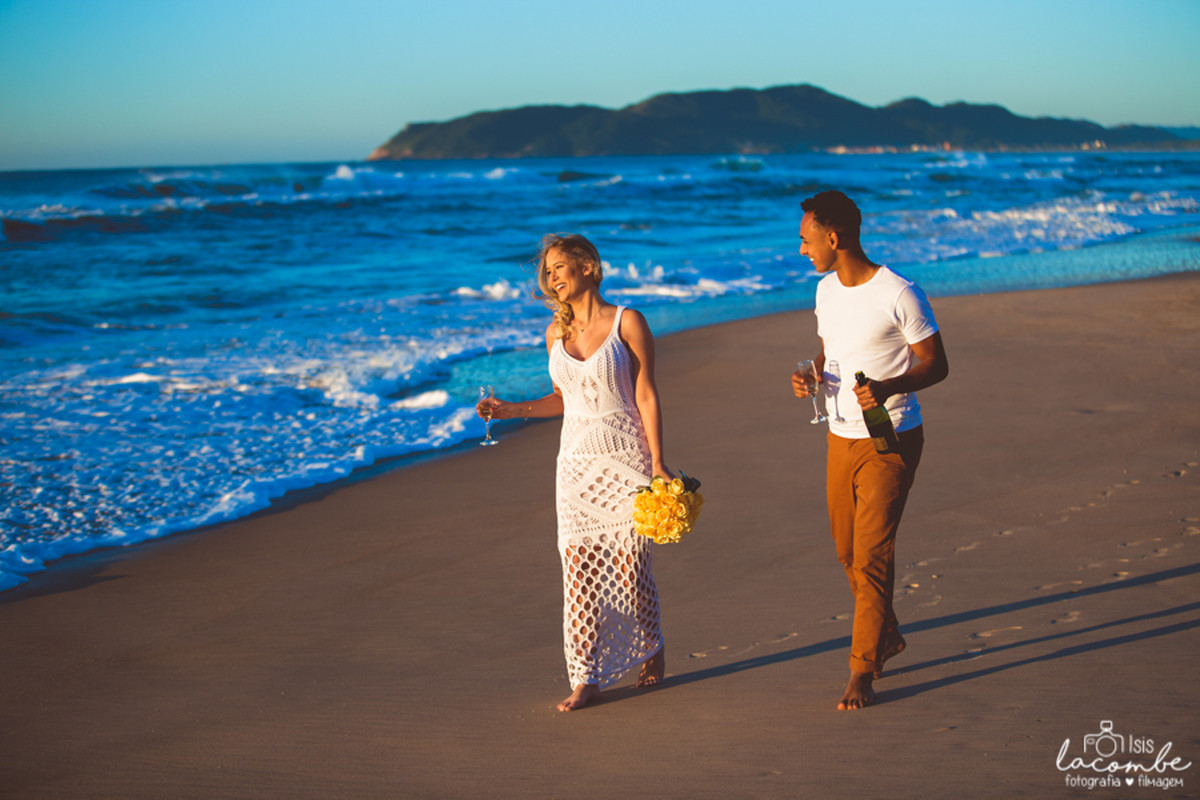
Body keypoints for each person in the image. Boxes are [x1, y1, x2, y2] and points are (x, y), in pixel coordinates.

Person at [478, 233, 672, 712]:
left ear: (588, 266)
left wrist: (660, 463)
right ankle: (586, 677)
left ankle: (652, 645)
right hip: (576, 467)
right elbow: (563, 400)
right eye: (547, 272)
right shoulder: (554, 334)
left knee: (632, 568)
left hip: (626, 458)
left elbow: (645, 394)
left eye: (560, 267)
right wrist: (509, 411)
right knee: (579, 570)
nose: (552, 278)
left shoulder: (628, 322)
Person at [791, 190, 949, 711]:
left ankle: (862, 670)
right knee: (846, 553)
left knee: (873, 554)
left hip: (892, 437)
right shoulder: (824, 292)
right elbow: (832, 349)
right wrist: (812, 374)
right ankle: (887, 633)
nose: (801, 250)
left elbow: (936, 363)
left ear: (833, 238)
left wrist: (887, 387)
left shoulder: (900, 293)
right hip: (840, 435)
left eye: (805, 240)